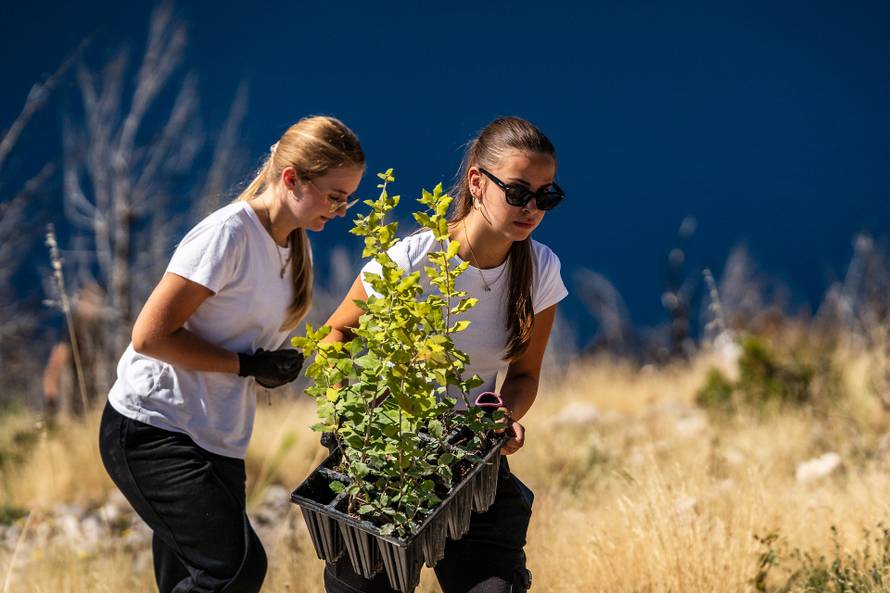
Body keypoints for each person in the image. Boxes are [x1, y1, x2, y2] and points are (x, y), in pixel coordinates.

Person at [98, 115, 365, 593]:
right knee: (236, 569)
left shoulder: (292, 245)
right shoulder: (228, 234)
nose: (342, 209)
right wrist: (247, 365)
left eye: (349, 198)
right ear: (291, 178)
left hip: (218, 436)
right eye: (334, 195)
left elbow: (231, 334)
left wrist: (268, 366)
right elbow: (150, 337)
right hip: (154, 426)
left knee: (193, 577)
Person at [321, 116, 568, 593]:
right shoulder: (414, 259)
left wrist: (503, 416)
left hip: (470, 461)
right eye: (518, 192)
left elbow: (524, 375)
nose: (532, 208)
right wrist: (343, 419)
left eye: (546, 196)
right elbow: (337, 335)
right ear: (477, 181)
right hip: (387, 458)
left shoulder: (541, 269)